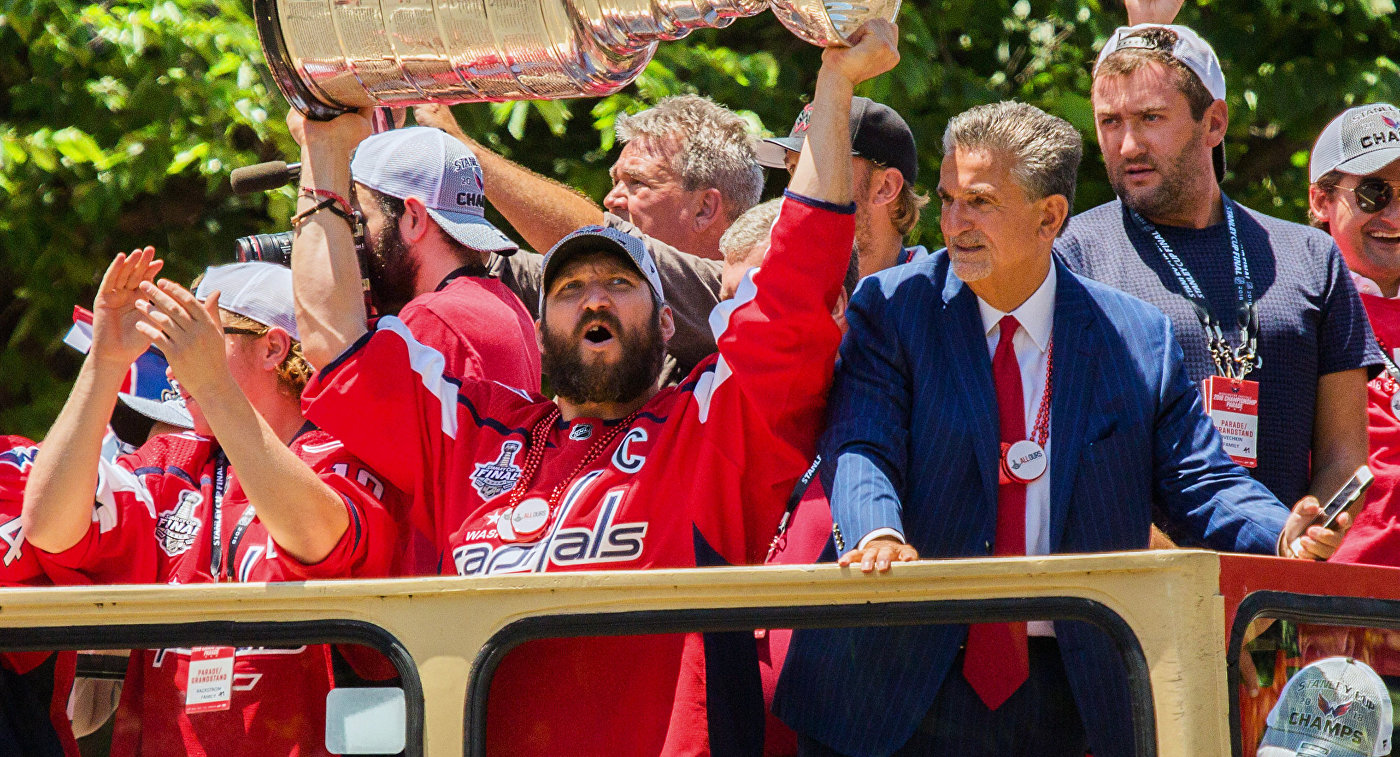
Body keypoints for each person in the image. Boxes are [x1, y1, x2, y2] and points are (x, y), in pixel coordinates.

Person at [287, 20, 898, 756]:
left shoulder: (710, 430)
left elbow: (798, 276)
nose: (595, 299)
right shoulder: (475, 430)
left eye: (618, 282)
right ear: (542, 327)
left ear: (668, 323)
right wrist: (322, 148)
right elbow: (333, 338)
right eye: (570, 287)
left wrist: (835, 84)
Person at [774, 101, 1351, 757]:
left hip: (1069, 690)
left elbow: (1200, 479)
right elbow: (860, 444)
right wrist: (878, 531)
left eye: (981, 203)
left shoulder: (1135, 336)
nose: (954, 223)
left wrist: (1282, 529)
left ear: (1050, 216)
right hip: (889, 680)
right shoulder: (894, 307)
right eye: (948, 198)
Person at [22, 256, 402, 757]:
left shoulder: (345, 452)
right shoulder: (173, 460)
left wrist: (214, 385)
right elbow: (48, 527)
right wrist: (105, 363)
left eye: (198, 332)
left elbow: (316, 538)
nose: (177, 361)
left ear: (272, 347)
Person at [1056, 24, 1379, 524]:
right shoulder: (1073, 255)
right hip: (1131, 586)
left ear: (1214, 123)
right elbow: (1068, 454)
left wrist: (1304, 542)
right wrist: (1176, 571)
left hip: (1276, 586)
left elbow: (1345, 458)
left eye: (1150, 118)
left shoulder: (1311, 255)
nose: (1127, 145)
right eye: (1110, 122)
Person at [413, 98, 744, 385]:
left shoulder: (738, 300)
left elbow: (602, 236)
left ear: (704, 208)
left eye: (637, 183)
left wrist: (464, 152)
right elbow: (471, 268)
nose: (612, 198)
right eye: (615, 181)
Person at [339, 126, 541, 391]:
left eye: (362, 220)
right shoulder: (510, 305)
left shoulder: (432, 319)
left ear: (413, 218)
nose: (357, 239)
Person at [1308, 103, 1400, 566]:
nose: (1396, 216)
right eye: (1374, 193)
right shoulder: (1295, 308)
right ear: (1322, 201)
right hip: (1339, 607)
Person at [757, 96, 931, 276]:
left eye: (818, 168)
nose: (794, 191)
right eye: (793, 170)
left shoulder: (937, 298)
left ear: (886, 187)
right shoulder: (778, 289)